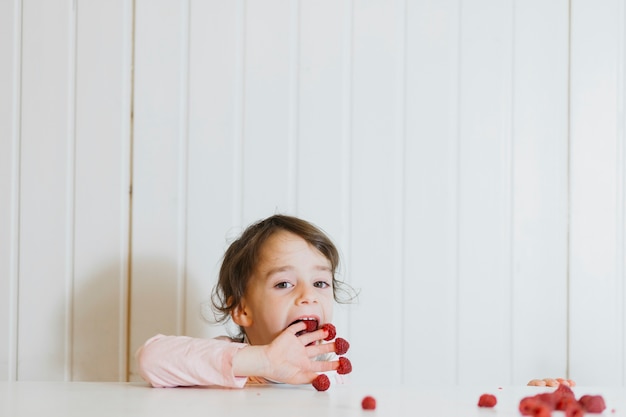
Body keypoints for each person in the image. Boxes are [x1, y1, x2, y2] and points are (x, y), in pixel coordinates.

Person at [136, 214, 356, 388]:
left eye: (320, 283)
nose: (309, 296)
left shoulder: (332, 374)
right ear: (242, 309)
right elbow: (151, 359)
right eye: (284, 284)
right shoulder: (227, 359)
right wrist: (264, 361)